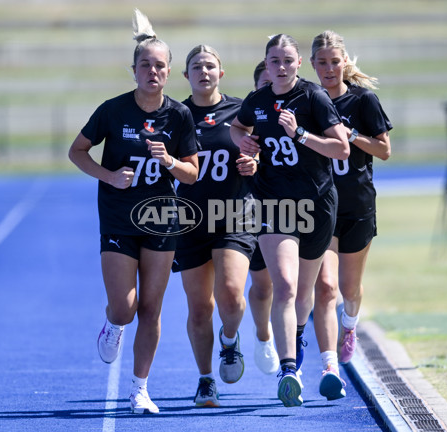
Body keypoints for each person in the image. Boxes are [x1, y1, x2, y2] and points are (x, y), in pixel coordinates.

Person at [68, 9, 199, 415]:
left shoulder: (179, 115)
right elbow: (77, 151)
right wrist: (108, 176)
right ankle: (112, 325)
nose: (153, 71)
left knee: (151, 308)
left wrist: (171, 162)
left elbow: (192, 174)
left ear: (169, 71)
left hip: (161, 217)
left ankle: (140, 389)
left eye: (160, 66)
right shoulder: (113, 110)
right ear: (134, 70)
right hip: (118, 216)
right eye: (146, 65)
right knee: (124, 308)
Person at [230, 34, 349, 407]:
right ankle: (288, 370)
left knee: (306, 293)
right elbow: (238, 126)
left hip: (316, 203)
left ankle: (299, 343)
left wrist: (299, 133)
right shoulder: (258, 100)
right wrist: (243, 142)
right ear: (265, 65)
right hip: (273, 203)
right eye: (273, 61)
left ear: (299, 64)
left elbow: (341, 147)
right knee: (284, 285)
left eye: (287, 60)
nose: (280, 67)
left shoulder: (314, 97)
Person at [304, 29, 392, 400]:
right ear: (312, 65)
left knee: (348, 289)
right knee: (324, 287)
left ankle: (350, 323)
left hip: (357, 205)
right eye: (321, 63)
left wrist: (350, 135)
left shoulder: (363, 100)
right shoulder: (307, 100)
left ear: (345, 63)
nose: (328, 68)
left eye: (334, 61)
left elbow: (384, 150)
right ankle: (328, 365)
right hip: (322, 207)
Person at [174, 44, 258, 408]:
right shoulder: (174, 115)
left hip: (235, 214)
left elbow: (262, 153)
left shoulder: (242, 111)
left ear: (221, 72)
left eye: (210, 66)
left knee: (230, 294)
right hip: (190, 219)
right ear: (186, 75)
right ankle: (206, 379)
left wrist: (256, 165)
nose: (204, 72)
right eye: (196, 66)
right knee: (198, 308)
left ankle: (230, 339)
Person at [247, 60, 279, 376]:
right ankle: (262, 333)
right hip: (254, 209)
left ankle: (292, 355)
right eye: (264, 85)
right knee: (263, 286)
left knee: (291, 285)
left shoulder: (298, 115)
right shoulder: (246, 119)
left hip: (296, 209)